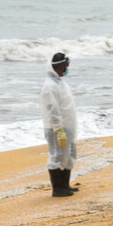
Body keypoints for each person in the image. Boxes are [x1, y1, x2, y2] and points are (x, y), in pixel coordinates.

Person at [40, 52, 79, 197]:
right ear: (59, 66)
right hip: (56, 128)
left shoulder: (60, 82)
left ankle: (65, 185)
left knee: (69, 155)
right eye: (65, 67)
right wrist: (58, 129)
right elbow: (52, 109)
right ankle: (57, 188)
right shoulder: (49, 86)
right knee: (57, 156)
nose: (67, 69)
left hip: (67, 126)